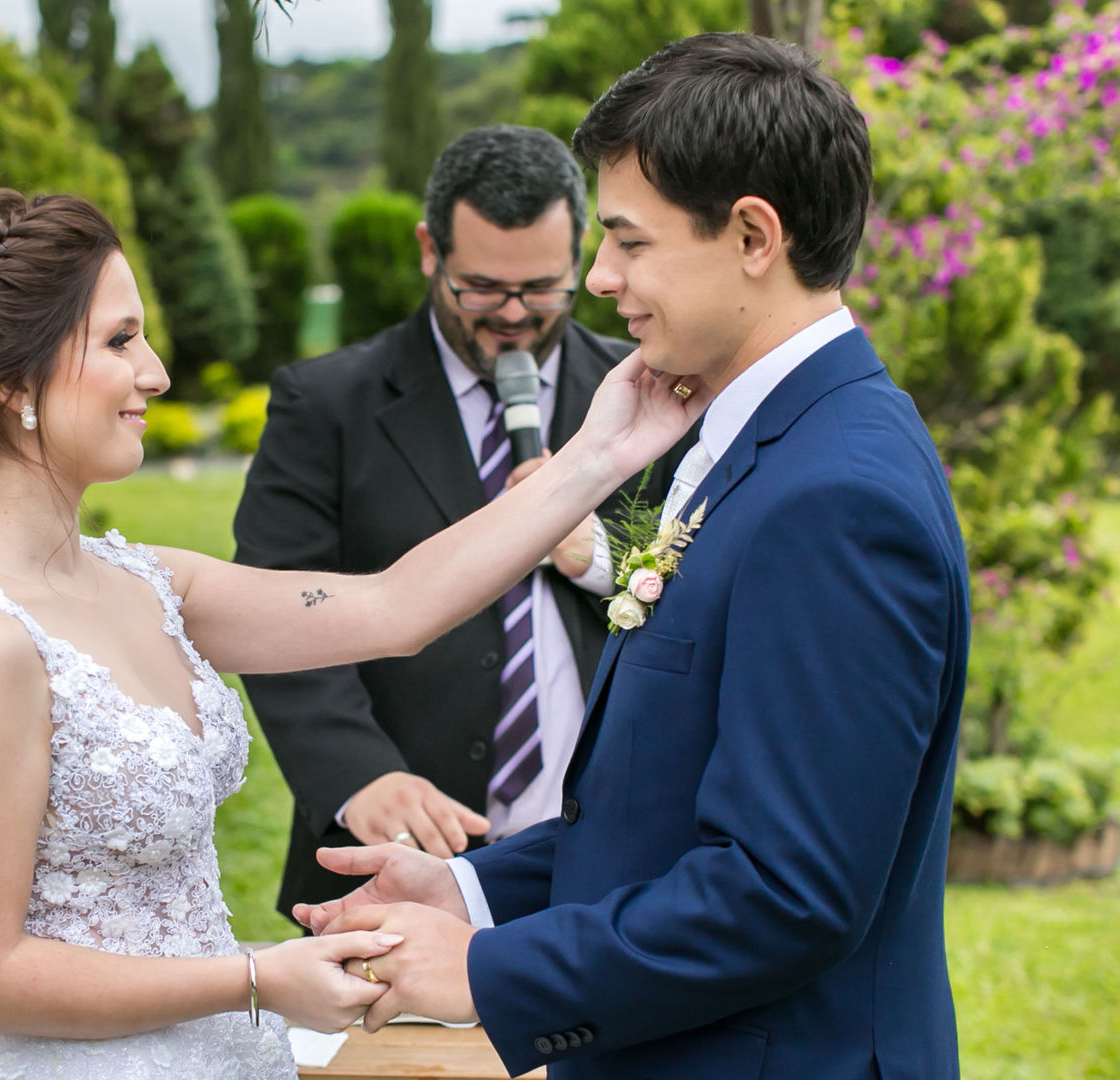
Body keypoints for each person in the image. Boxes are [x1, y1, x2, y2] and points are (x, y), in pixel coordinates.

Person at [0, 189, 704, 1080]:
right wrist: (255, 977)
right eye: (119, 343)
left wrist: (601, 455)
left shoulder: (145, 580)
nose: (154, 375)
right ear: (17, 380)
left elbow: (392, 607)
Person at [300, 33, 970, 1080]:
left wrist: (487, 970)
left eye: (628, 241)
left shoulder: (835, 493)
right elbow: (660, 813)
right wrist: (473, 890)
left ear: (753, 234)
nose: (599, 278)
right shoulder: (759, 437)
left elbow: (782, 892)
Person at [233, 125, 693, 921]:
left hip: (610, 867)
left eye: (543, 289)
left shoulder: (657, 392)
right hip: (395, 863)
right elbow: (276, 613)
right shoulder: (326, 405)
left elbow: (709, 595)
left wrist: (595, 555)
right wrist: (357, 776)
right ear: (428, 251)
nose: (513, 316)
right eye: (480, 288)